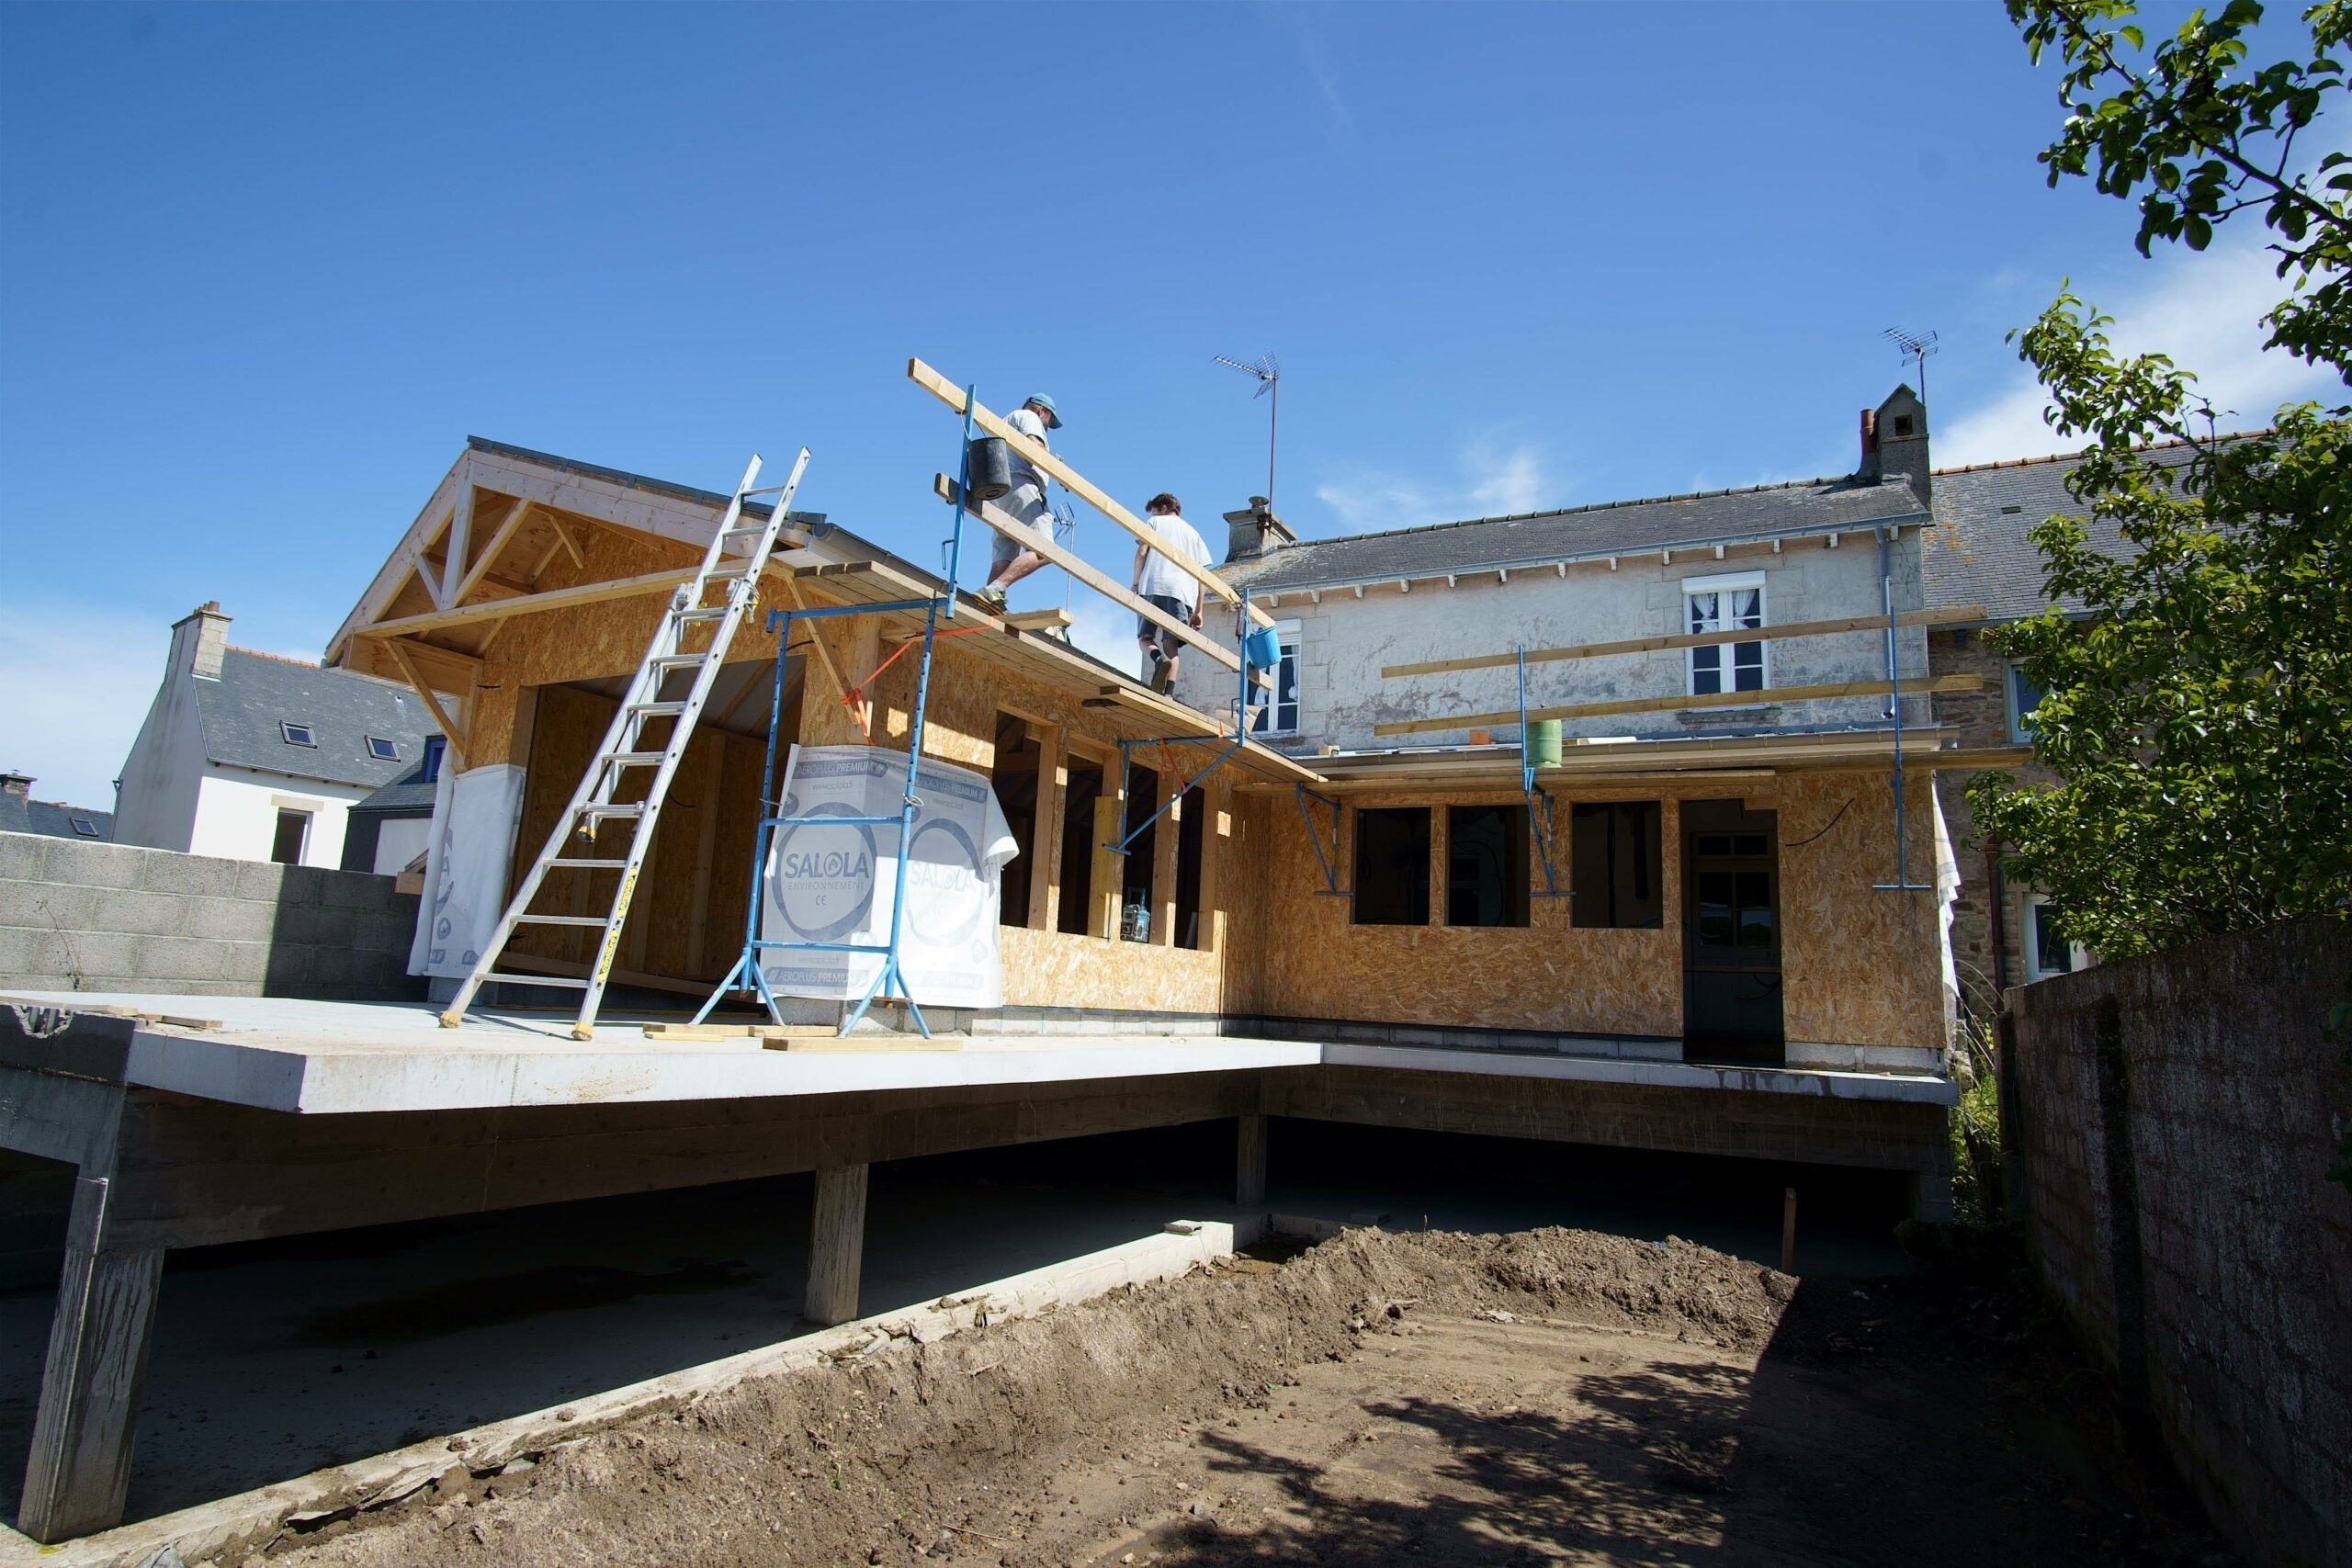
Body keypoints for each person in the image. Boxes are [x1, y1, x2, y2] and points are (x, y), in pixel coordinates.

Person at [980, 394, 1061, 607]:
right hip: (1022, 487)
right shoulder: (1028, 416)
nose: (1048, 428)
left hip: (1000, 491)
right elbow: (1033, 447)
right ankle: (997, 588)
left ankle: (989, 602)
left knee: (1004, 556)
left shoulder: (1007, 420)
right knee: (1045, 551)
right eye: (1049, 422)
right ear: (1041, 410)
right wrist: (1055, 467)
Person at [1131, 492, 1212, 693]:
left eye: (1154, 511)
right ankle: (1168, 694)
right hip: (1182, 594)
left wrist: (1135, 583)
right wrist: (1199, 610)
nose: (1153, 515)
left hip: (1153, 585)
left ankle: (1158, 660)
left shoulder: (1154, 523)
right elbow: (1202, 576)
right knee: (1171, 646)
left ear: (1164, 508)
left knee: (1145, 638)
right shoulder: (1194, 535)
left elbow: (1142, 553)